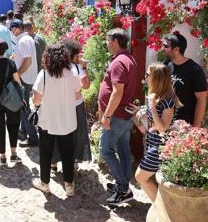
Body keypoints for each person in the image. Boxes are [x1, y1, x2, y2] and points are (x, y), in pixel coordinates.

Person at [31, 44, 82, 197]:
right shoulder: (72, 74)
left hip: (48, 120)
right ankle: (69, 185)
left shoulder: (44, 75)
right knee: (67, 152)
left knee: (45, 152)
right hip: (67, 120)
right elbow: (78, 96)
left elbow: (36, 100)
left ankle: (45, 183)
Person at [98, 28, 140, 206]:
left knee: (105, 150)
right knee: (123, 151)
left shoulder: (118, 62)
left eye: (108, 41)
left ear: (115, 41)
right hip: (124, 115)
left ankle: (123, 189)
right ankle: (122, 185)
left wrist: (106, 116)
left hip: (116, 115)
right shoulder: (129, 58)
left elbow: (117, 92)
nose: (107, 44)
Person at [133, 64, 180, 201]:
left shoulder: (167, 102)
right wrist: (137, 114)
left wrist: (152, 106)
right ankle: (161, 209)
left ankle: (160, 209)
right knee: (151, 179)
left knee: (140, 177)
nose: (145, 78)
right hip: (152, 144)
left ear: (156, 78)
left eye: (148, 75)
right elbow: (149, 127)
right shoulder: (155, 97)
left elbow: (162, 128)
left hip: (160, 148)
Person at [50, 39, 91, 172]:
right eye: (77, 54)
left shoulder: (54, 66)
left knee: (57, 133)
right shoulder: (76, 68)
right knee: (75, 134)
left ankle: (54, 163)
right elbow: (86, 85)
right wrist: (84, 67)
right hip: (75, 106)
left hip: (58, 105)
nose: (79, 57)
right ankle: (72, 161)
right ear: (72, 54)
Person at [162, 32, 207, 126]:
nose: (162, 49)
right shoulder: (166, 65)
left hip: (184, 126)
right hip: (165, 123)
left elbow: (201, 100)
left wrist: (196, 127)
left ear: (176, 49)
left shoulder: (194, 70)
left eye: (166, 46)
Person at [10, 20, 39, 146]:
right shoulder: (26, 38)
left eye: (11, 28)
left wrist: (18, 74)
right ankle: (23, 132)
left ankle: (33, 137)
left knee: (24, 109)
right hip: (27, 77)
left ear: (17, 28)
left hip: (24, 78)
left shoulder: (23, 40)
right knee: (23, 107)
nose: (11, 31)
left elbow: (27, 61)